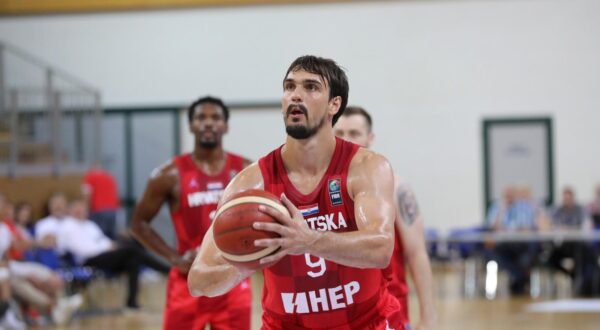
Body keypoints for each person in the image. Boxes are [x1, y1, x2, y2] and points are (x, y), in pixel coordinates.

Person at [188, 55, 403, 329]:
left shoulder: (365, 167)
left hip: (364, 323)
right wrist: (248, 263)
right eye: (289, 87)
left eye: (311, 87)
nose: (295, 96)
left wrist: (308, 241)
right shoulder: (252, 183)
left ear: (334, 104)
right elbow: (198, 281)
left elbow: (381, 248)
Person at [130, 96, 252, 329]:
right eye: (200, 118)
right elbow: (138, 224)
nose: (208, 123)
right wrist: (174, 258)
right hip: (188, 281)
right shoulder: (168, 175)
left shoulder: (245, 170)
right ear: (191, 126)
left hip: (233, 280)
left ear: (225, 126)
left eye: (215, 117)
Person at [334, 106, 437, 329]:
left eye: (354, 133)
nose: (346, 140)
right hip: (339, 315)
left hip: (388, 315)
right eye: (339, 133)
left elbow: (417, 254)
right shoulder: (323, 190)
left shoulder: (396, 187)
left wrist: (428, 317)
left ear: (370, 138)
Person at [61, 199, 169, 309]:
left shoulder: (90, 225)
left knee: (133, 260)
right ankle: (167, 270)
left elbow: (102, 239)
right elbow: (81, 249)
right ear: (71, 210)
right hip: (88, 260)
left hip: (104, 256)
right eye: (77, 207)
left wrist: (111, 245)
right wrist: (107, 247)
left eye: (82, 207)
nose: (81, 210)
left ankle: (131, 301)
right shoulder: (68, 226)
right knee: (132, 251)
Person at [549, 187, 599, 296]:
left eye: (569, 198)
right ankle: (572, 275)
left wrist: (569, 228)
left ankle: (583, 285)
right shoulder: (557, 210)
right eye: (565, 198)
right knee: (550, 258)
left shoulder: (581, 209)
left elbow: (586, 226)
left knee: (585, 255)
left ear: (573, 198)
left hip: (578, 244)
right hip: (562, 244)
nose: (567, 201)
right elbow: (551, 226)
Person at [82, 163, 121, 239]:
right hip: (113, 210)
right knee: (111, 237)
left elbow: (87, 194)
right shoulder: (110, 177)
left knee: (98, 237)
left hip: (98, 210)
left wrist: (86, 210)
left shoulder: (90, 176)